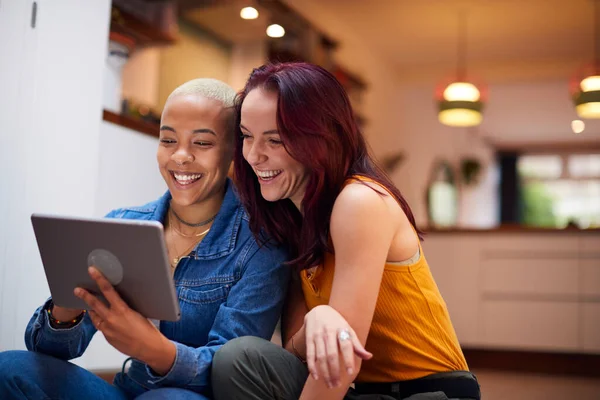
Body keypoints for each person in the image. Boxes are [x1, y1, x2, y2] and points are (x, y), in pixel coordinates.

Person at [0, 78, 290, 400]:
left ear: (235, 151)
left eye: (202, 143)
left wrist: (158, 351)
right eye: (168, 140)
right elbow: (47, 349)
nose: (180, 156)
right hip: (127, 391)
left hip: (188, 398)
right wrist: (67, 308)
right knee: (9, 369)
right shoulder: (124, 224)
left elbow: (231, 372)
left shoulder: (262, 247)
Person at [211, 63, 481, 400]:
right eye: (247, 136)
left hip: (431, 393)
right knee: (240, 360)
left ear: (322, 138)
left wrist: (326, 321)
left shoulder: (359, 201)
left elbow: (340, 363)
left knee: (244, 359)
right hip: (367, 392)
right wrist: (317, 322)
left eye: (276, 140)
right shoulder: (294, 219)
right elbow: (300, 354)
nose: (253, 155)